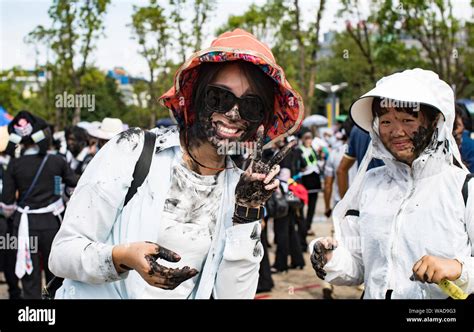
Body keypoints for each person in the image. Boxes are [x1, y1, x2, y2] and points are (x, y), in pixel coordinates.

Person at [48, 29, 304, 299]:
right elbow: (63, 254)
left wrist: (246, 213)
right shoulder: (133, 150)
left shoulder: (238, 189)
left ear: (260, 120)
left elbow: (233, 295)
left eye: (251, 106)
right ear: (196, 96)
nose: (233, 114)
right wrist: (122, 257)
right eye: (220, 97)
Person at [310, 68, 474, 299]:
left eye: (408, 119)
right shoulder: (369, 183)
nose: (396, 131)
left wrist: (458, 269)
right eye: (386, 121)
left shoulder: (463, 188)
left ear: (434, 121)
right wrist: (330, 258)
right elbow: (359, 266)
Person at [2, 111, 77, 299]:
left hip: (25, 227)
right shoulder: (56, 161)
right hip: (53, 224)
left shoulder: (14, 165)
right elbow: (73, 187)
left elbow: (7, 205)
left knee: (30, 277)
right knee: (55, 272)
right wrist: (60, 198)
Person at [336, 125, 384, 198]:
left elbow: (341, 170)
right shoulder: (393, 125)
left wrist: (346, 203)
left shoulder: (357, 129)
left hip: (364, 197)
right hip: (391, 196)